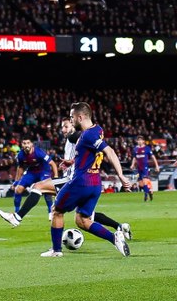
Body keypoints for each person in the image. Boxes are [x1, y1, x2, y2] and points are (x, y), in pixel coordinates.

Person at [42, 102, 131, 258]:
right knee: (82, 220)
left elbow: (109, 151)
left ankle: (56, 251)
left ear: (80, 117)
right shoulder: (98, 129)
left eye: (72, 117)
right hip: (95, 183)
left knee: (57, 210)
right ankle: (114, 237)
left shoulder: (88, 135)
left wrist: (121, 175)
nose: (71, 120)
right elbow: (90, 154)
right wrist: (73, 161)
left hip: (81, 182)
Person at [0, 138, 58, 227]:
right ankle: (17, 213)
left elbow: (53, 163)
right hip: (31, 172)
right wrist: (17, 181)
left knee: (46, 190)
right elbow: (20, 167)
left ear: (32, 144)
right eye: (24, 143)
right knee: (18, 189)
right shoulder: (20, 155)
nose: (26, 145)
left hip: (44, 171)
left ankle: (50, 212)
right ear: (21, 145)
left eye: (28, 143)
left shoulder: (39, 152)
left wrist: (55, 177)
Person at [130, 135, 160, 201]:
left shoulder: (147, 148)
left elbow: (153, 157)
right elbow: (134, 158)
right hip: (139, 168)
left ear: (143, 141)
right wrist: (132, 165)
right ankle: (149, 192)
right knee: (141, 184)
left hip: (145, 167)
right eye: (138, 140)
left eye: (141, 140)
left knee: (145, 181)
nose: (140, 141)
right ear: (137, 141)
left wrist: (156, 166)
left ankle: (145, 196)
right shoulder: (135, 149)